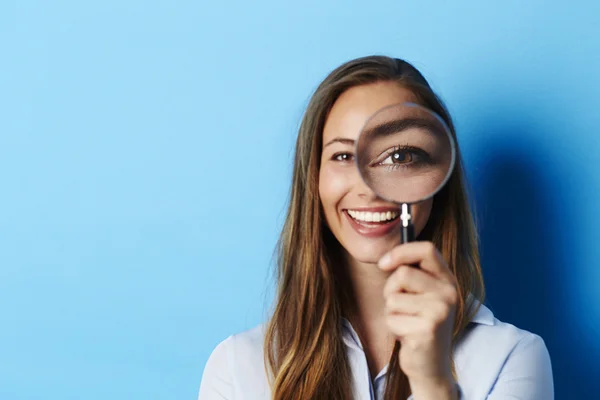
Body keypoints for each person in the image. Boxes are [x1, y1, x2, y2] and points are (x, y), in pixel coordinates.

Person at [198, 56, 554, 399]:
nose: (369, 188)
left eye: (399, 157)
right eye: (343, 156)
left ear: (440, 178)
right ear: (315, 180)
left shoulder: (514, 357)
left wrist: (434, 384)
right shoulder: (237, 368)